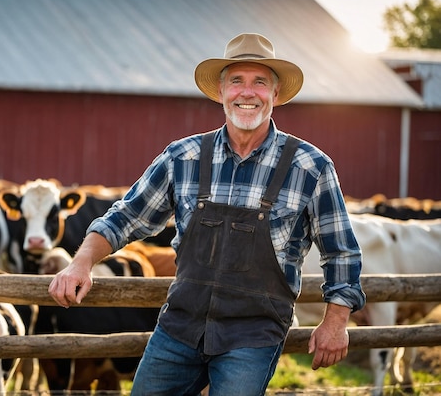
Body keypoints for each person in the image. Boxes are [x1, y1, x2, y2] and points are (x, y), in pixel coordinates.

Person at [48, 33, 366, 395]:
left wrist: (335, 322)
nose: (247, 93)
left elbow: (341, 251)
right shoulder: (183, 157)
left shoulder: (310, 167)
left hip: (253, 335)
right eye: (237, 81)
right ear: (220, 91)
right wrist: (81, 262)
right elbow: (125, 217)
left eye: (260, 82)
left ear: (276, 94)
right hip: (179, 329)